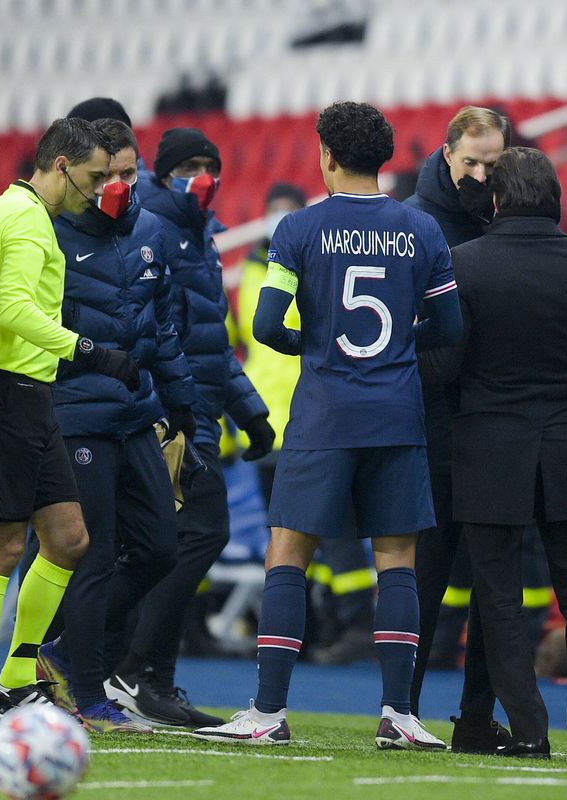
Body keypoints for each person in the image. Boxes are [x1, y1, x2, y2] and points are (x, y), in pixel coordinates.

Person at [193, 101, 461, 748]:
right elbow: (451, 330)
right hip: (397, 412)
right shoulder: (422, 232)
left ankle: (268, 712)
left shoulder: (297, 230)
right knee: (396, 561)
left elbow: (262, 325)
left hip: (324, 414)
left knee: (289, 554)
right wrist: (396, 348)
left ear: (327, 156)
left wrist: (314, 347)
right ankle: (399, 714)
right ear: (384, 157)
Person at [436, 147, 567, 762]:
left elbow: (449, 362)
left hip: (489, 446)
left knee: (499, 595)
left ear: (497, 199)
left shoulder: (465, 262)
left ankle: (531, 731)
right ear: (554, 197)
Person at [0, 117, 130, 725]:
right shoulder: (27, 223)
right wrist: (91, 351)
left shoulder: (9, 211)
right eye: (93, 176)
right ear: (60, 166)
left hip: (25, 394)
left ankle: (16, 670)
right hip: (3, 391)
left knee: (68, 539)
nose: (99, 189)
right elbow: (13, 308)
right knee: (2, 545)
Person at [34, 116, 195, 732]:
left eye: (130, 173)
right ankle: (89, 691)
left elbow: (165, 330)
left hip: (136, 414)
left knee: (158, 548)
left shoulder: (150, 231)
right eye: (109, 174)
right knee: (94, 557)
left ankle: (64, 653)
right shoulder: (49, 233)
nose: (120, 184)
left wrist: (183, 407)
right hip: (74, 415)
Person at [111, 126, 273, 727]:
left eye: (211, 165)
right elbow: (157, 341)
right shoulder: (152, 229)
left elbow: (211, 344)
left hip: (196, 408)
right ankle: (135, 670)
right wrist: (174, 413)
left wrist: (249, 411)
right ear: (162, 171)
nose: (203, 176)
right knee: (197, 532)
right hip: (167, 413)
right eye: (191, 165)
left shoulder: (202, 235)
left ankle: (144, 674)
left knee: (179, 539)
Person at [404, 106, 533, 753]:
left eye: (493, 164)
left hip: (489, 417)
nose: (481, 174)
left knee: (491, 579)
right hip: (436, 420)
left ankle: (475, 717)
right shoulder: (417, 223)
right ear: (447, 153)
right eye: (472, 161)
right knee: (426, 573)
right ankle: (401, 707)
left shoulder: (505, 218)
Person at [236, 182, 377, 665]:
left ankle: (354, 623)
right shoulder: (251, 270)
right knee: (288, 534)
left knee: (334, 530)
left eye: (288, 213)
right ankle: (313, 628)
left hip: (314, 412)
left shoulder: (313, 260)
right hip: (266, 417)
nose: (280, 220)